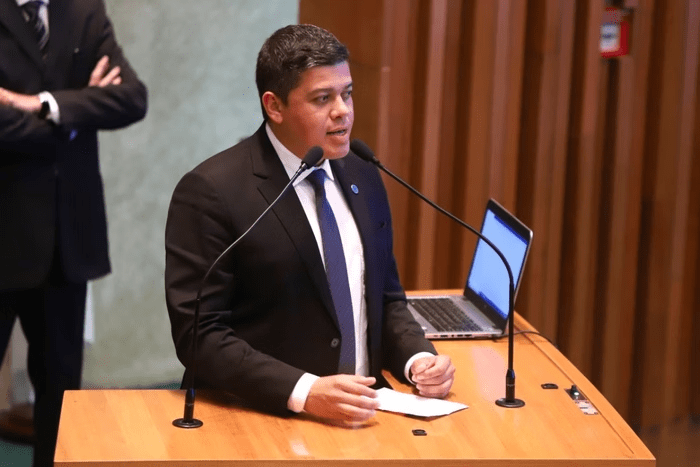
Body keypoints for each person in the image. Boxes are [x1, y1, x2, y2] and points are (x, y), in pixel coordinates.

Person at [165, 24, 453, 423]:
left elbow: (385, 298)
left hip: (365, 415)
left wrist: (418, 359)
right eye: (322, 98)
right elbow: (199, 335)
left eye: (347, 93)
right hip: (256, 417)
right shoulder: (212, 191)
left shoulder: (363, 171)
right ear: (274, 106)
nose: (343, 110)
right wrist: (304, 392)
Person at [0, 0, 147, 464]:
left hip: (64, 242)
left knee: (61, 394)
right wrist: (73, 119)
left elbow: (132, 97)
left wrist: (42, 104)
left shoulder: (83, 10)